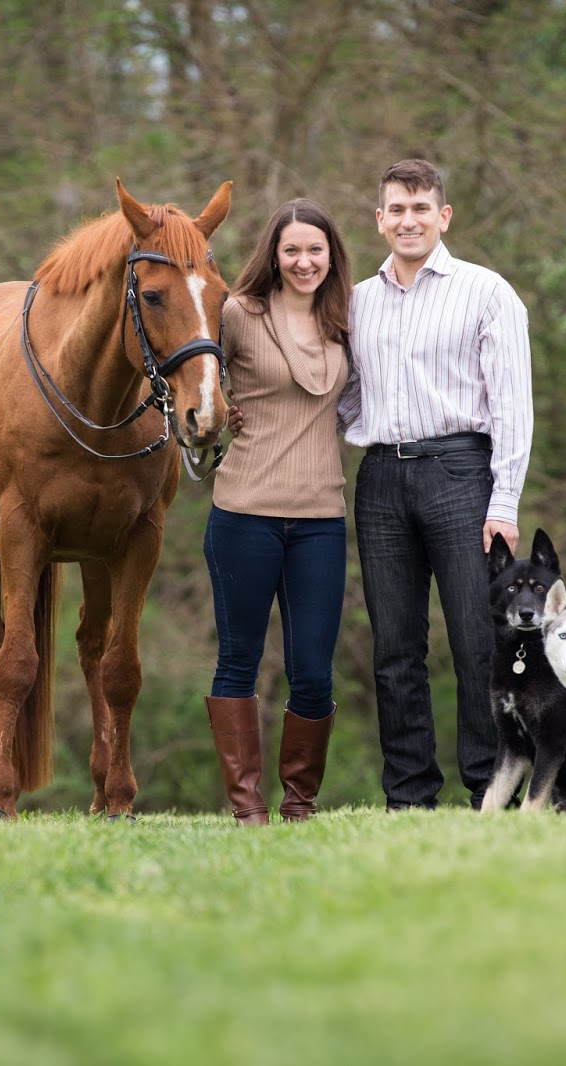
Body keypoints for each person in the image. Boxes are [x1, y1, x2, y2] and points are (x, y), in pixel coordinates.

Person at [337, 158, 534, 811]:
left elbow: (512, 406)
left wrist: (504, 501)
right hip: (381, 479)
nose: (408, 220)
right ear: (379, 219)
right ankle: (409, 795)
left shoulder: (486, 292)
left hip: (461, 474)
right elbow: (345, 398)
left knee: (478, 640)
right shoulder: (356, 302)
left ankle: (488, 787)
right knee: (394, 647)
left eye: (421, 208)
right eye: (396, 208)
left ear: (443, 216)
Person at [202, 198, 354, 826]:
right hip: (244, 511)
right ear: (274, 253)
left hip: (320, 518)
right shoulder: (238, 315)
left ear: (331, 256)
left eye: (315, 250)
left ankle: (299, 804)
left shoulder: (346, 318)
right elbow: (190, 375)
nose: (304, 261)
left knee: (313, 671)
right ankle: (247, 808)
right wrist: (218, 409)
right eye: (292, 249)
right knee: (238, 660)